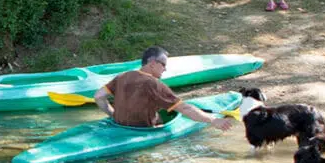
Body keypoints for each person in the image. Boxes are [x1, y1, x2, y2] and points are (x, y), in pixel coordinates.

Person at [95, 47, 236, 131]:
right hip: (142, 131)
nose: (165, 69)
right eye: (163, 65)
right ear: (152, 63)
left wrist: (113, 115)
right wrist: (213, 120)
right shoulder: (154, 84)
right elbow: (185, 109)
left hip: (119, 127)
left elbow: (98, 96)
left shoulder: (122, 76)